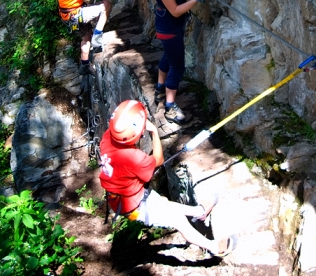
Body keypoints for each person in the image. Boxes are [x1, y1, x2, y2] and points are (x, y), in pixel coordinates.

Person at [99, 100, 237, 257]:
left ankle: (199, 212)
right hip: (134, 206)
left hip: (125, 198)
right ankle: (215, 248)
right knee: (178, 221)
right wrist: (154, 132)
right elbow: (158, 159)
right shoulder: (134, 158)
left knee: (164, 204)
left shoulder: (107, 138)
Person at [151, 0, 211, 122]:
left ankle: (160, 89)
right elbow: (175, 10)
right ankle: (170, 107)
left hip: (173, 24)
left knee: (169, 56)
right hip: (169, 26)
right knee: (177, 66)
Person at [51, 0, 118, 73]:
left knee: (86, 38)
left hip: (70, 16)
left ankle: (85, 64)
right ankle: (97, 37)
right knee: (106, 5)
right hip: (76, 15)